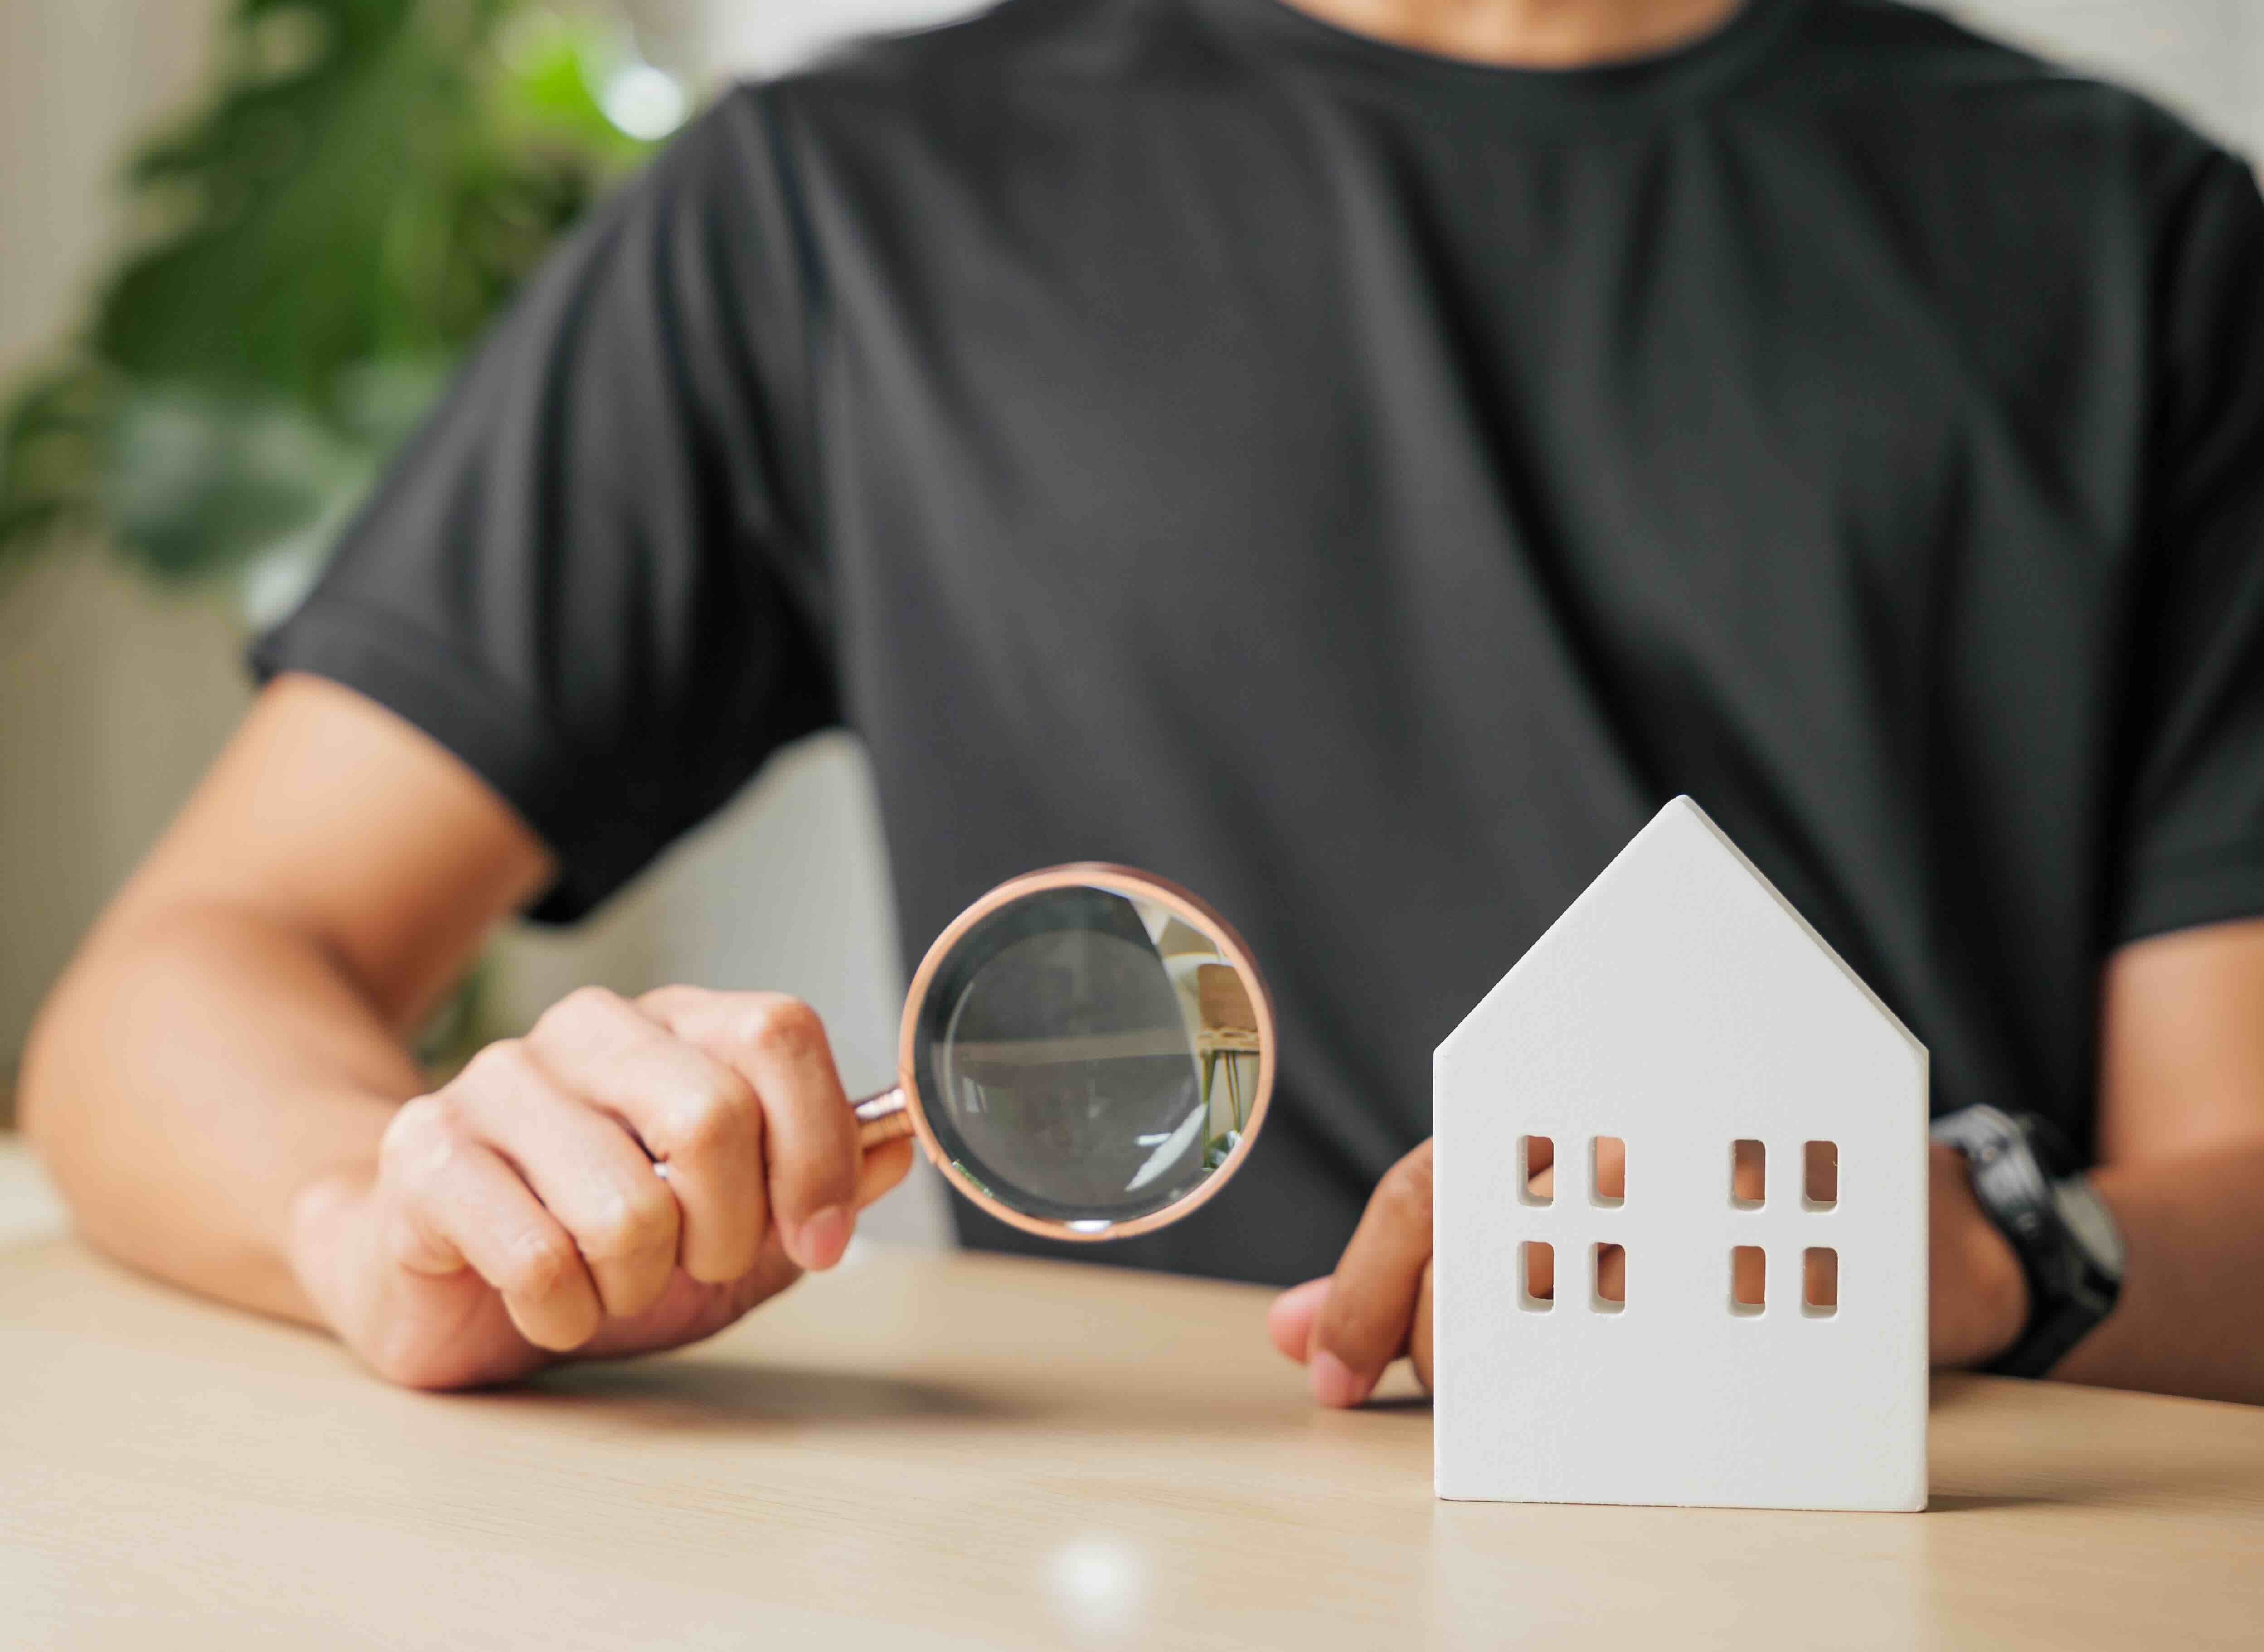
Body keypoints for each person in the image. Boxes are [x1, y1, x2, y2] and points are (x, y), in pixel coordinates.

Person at [22, 0, 2264, 1404]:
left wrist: (1979, 1249)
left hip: (1890, 1567)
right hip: (1131, 1566)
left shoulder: (2137, 244)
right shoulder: (831, 212)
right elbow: (183, 982)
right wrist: (391, 1219)